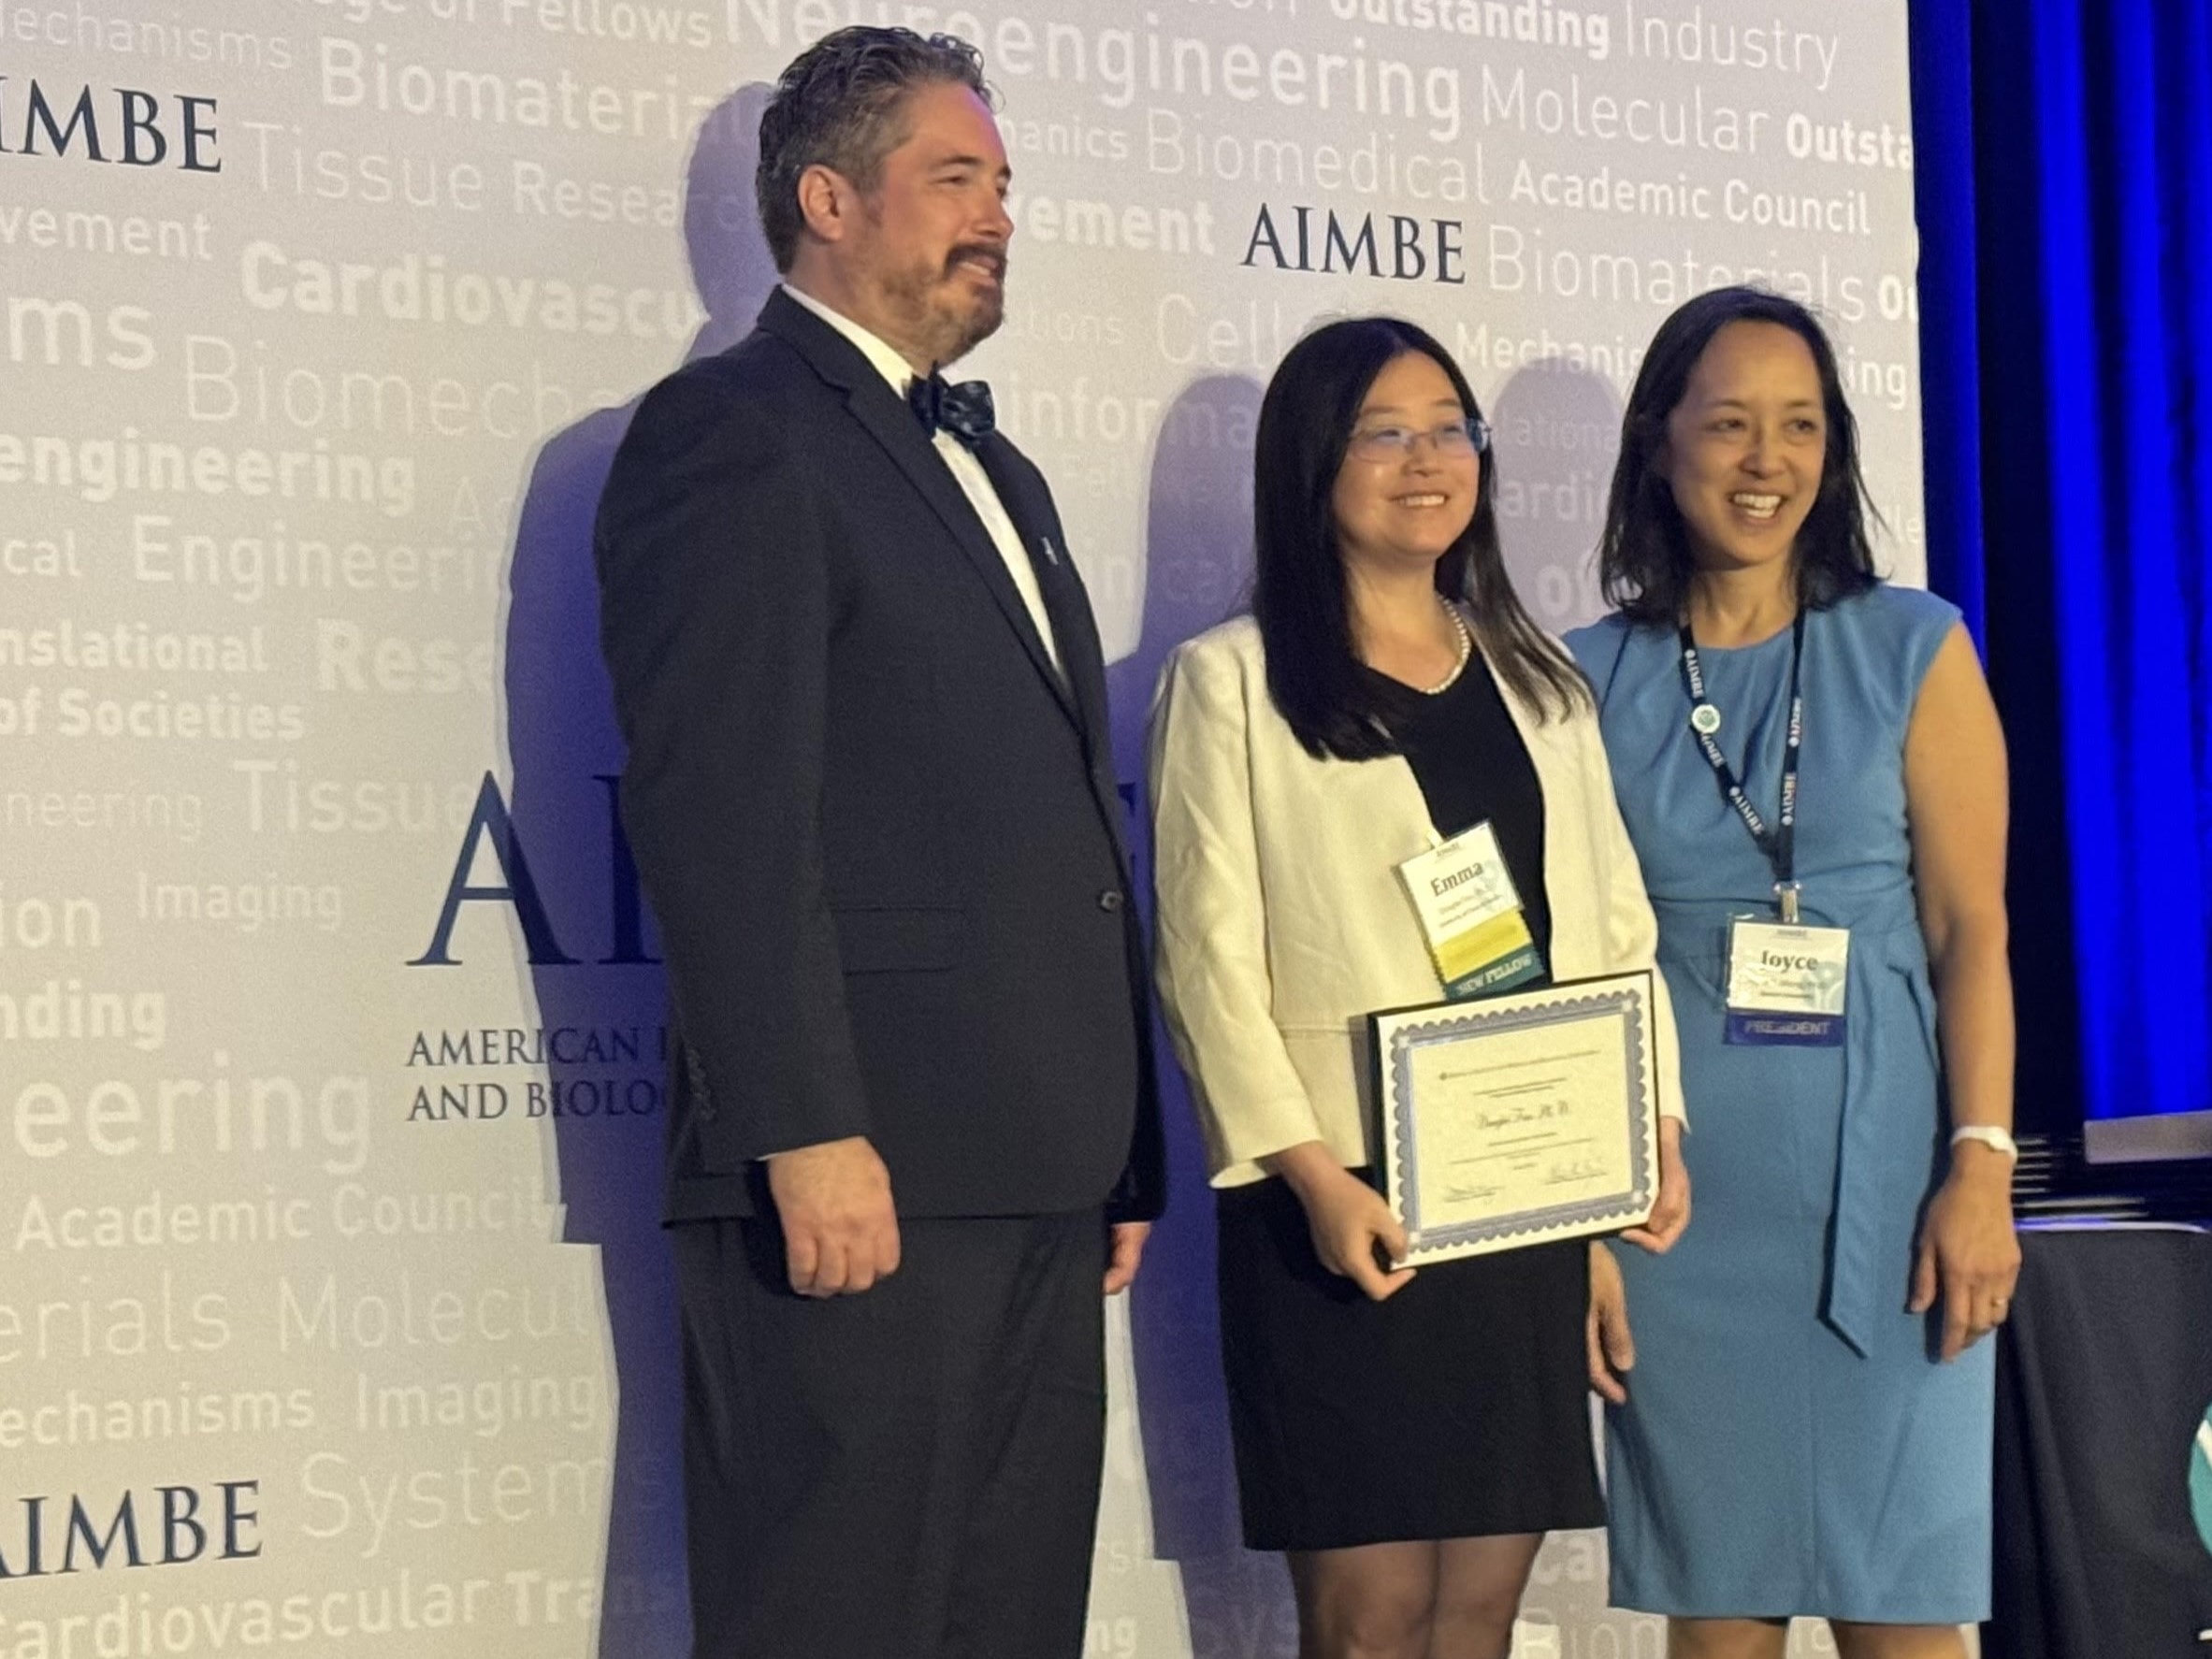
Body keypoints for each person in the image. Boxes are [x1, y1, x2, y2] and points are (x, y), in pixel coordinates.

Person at [591, 28, 1164, 1658]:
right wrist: (798, 1125)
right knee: (832, 1618)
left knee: (1004, 1625)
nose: (997, 216)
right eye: (956, 179)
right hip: (864, 1169)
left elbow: (1055, 830)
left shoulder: (999, 465)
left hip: (1035, 1166)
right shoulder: (733, 433)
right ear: (827, 199)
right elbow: (719, 809)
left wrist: (1115, 1139)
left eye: (1004, 186)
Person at [1147, 316, 1689, 1659]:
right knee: (1369, 1616)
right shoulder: (1229, 680)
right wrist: (1316, 1181)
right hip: (1337, 1201)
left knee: (1474, 1615)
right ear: (1309, 462)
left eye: (1449, 426)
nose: (1426, 458)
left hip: (1515, 1196)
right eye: (1383, 431)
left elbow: (1614, 932)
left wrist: (1645, 1136)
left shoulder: (1539, 681)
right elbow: (1205, 961)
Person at [1566, 287, 2019, 1659]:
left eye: (1799, 425)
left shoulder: (1911, 643)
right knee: (1719, 1612)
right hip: (1679, 1214)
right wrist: (1585, 1215)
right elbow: (1575, 969)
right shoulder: (1582, 680)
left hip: (1894, 1200)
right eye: (1728, 423)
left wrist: (1981, 1165)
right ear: (1658, 442)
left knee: (1904, 1616)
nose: (1764, 459)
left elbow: (1970, 930)